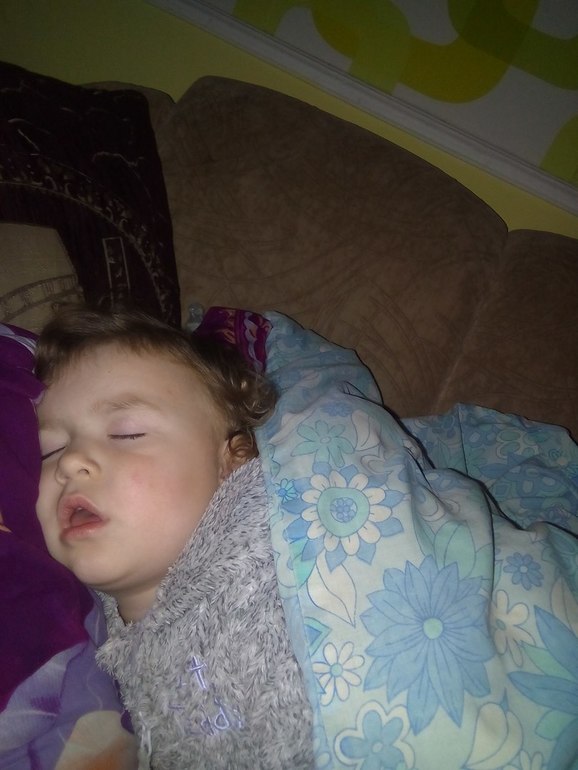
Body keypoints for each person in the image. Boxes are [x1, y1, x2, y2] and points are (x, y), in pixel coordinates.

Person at [34, 306, 315, 770]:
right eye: (50, 450)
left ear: (233, 460)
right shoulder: (74, 629)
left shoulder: (267, 553)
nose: (70, 462)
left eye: (127, 433)